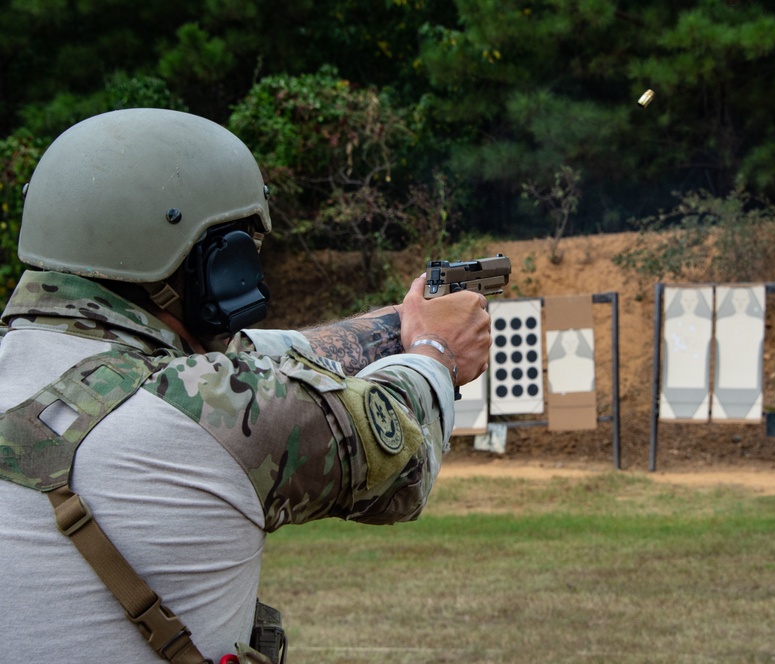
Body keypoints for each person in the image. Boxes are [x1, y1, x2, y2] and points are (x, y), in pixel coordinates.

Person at [0, 108, 491, 663]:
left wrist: (401, 323)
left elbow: (252, 357)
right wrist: (437, 350)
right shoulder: (218, 411)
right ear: (214, 265)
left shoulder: (102, 374)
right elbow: (402, 461)